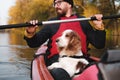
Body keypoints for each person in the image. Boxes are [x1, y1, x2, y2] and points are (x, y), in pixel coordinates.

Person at [24, 0, 106, 80]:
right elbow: (34, 43)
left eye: (59, 2)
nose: (56, 5)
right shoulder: (51, 23)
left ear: (69, 4)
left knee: (97, 70)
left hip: (80, 61)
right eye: (55, 3)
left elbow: (99, 44)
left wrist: (99, 27)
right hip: (57, 62)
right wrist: (30, 32)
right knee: (60, 73)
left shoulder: (83, 21)